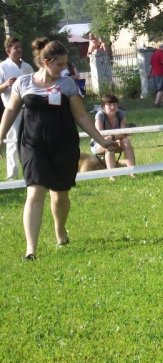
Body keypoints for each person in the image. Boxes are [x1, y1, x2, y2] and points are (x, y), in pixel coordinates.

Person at [0, 37, 117, 260]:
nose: (64, 69)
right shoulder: (23, 83)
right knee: (34, 192)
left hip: (63, 145)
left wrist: (100, 140)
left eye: (65, 64)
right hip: (33, 145)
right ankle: (31, 249)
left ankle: (60, 229)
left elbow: (81, 116)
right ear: (46, 61)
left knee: (60, 194)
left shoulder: (67, 85)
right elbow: (10, 111)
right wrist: (0, 136)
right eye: (60, 64)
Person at [0, 38, 34, 181]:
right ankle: (12, 176)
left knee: (31, 140)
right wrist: (6, 84)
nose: (19, 49)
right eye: (15, 47)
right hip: (12, 109)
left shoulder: (27, 67)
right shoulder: (2, 67)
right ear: (8, 51)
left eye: (20, 47)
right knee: (13, 141)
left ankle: (31, 172)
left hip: (29, 108)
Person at [91, 93, 136, 180]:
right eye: (110, 104)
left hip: (115, 141)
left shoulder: (121, 114)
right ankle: (112, 176)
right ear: (103, 106)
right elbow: (100, 135)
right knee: (109, 145)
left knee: (126, 140)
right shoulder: (100, 115)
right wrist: (112, 139)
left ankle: (132, 172)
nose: (113, 107)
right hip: (98, 144)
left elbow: (124, 133)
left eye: (115, 104)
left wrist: (112, 138)